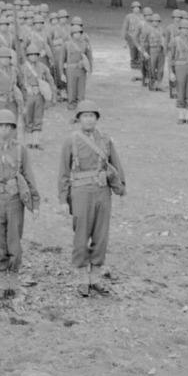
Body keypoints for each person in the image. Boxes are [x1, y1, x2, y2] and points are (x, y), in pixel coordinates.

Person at [55, 101, 126, 297]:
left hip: (103, 192)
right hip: (80, 193)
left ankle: (95, 277)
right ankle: (81, 278)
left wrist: (121, 187)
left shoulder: (105, 139)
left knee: (101, 235)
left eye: (92, 116)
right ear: (78, 119)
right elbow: (63, 172)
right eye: (84, 116)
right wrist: (62, 199)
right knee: (81, 235)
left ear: (96, 118)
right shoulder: (71, 141)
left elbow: (116, 164)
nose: (88, 119)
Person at [0, 107, 39, 299]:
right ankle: (2, 278)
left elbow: (28, 176)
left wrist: (35, 203)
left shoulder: (20, 150)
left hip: (14, 200)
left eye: (8, 126)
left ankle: (14, 277)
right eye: (0, 126)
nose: (4, 130)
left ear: (13, 128)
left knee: (14, 239)